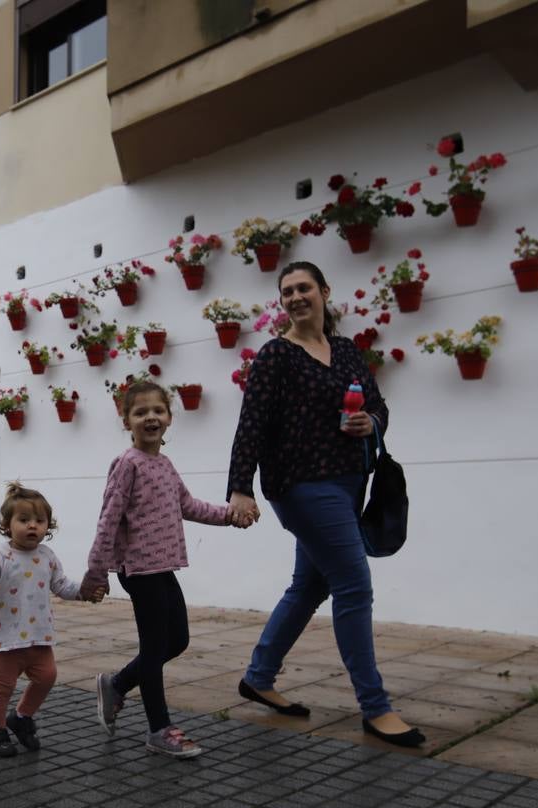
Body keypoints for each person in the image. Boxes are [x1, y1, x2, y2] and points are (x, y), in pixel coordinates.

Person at [227, 261, 424, 747]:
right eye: (287, 291)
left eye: (304, 288)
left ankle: (259, 676)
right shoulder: (276, 355)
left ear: (324, 292)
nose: (296, 297)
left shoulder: (346, 351)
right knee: (354, 585)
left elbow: (379, 405)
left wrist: (370, 424)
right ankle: (375, 708)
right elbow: (251, 423)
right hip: (300, 485)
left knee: (309, 586)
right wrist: (240, 487)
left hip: (348, 484)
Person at [85, 381, 247, 758]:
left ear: (170, 418)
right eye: (140, 412)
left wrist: (230, 516)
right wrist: (97, 570)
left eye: (157, 411)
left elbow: (187, 505)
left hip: (163, 566)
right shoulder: (127, 464)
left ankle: (118, 684)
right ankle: (159, 728)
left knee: (178, 641)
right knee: (155, 647)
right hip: (139, 570)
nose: (150, 418)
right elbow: (108, 519)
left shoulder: (165, 465)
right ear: (127, 421)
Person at [0, 482, 100, 757]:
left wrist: (85, 592)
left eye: (40, 521)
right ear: (7, 525)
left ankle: (21, 718)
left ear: (48, 526)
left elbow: (62, 586)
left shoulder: (47, 556)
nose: (33, 526)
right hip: (5, 640)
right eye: (24, 520)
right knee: (1, 688)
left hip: (38, 637)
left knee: (47, 677)